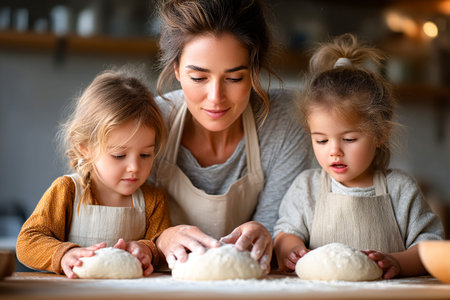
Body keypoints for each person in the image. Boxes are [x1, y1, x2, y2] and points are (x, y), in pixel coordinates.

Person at [151, 0, 312, 273]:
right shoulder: (149, 122)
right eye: (199, 78)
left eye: (235, 78)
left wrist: (268, 235)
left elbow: (283, 231)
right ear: (177, 70)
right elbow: (117, 224)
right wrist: (159, 239)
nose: (216, 98)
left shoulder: (284, 122)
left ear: (254, 71)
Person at [273, 34, 444, 279]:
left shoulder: (400, 189)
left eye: (349, 139)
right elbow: (285, 233)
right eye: (321, 140)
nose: (334, 151)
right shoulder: (307, 188)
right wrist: (290, 250)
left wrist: (398, 262)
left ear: (380, 134)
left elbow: (429, 249)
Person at [16, 69, 171, 279]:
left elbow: (162, 248)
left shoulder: (153, 201)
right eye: (119, 155)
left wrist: (147, 251)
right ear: (85, 148)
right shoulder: (68, 191)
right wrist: (64, 254)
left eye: (145, 154)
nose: (135, 166)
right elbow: (27, 242)